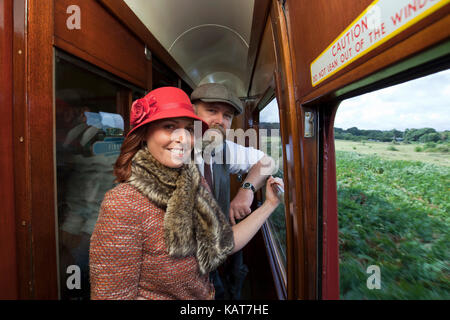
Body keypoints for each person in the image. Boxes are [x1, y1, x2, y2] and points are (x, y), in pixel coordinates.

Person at [89, 87, 283, 300]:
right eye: (169, 126)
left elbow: (222, 244)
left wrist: (267, 203)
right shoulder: (123, 204)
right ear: (145, 134)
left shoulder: (194, 181)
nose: (181, 137)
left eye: (188, 129)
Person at [190, 83, 276, 299]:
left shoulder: (223, 149)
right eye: (212, 111)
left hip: (218, 253)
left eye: (227, 115)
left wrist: (246, 190)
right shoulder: (175, 153)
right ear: (192, 112)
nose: (220, 120)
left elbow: (268, 161)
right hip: (186, 266)